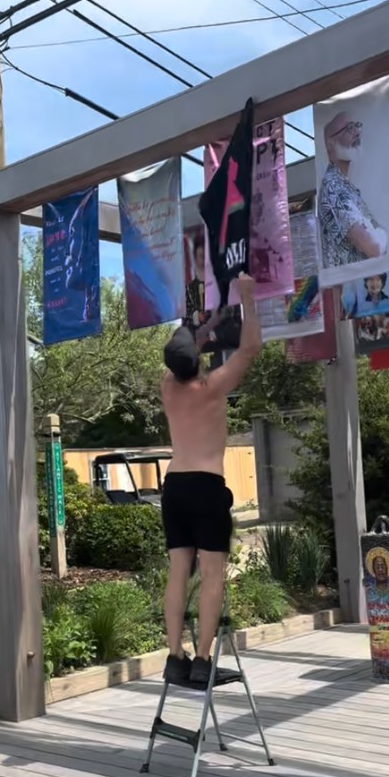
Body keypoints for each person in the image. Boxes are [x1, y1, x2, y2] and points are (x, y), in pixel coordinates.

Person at [160, 272, 261, 684]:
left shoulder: (168, 387)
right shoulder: (212, 387)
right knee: (213, 573)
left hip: (175, 486)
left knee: (178, 570)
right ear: (199, 361)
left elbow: (182, 353)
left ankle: (173, 656)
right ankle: (202, 660)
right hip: (205, 484)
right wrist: (248, 298)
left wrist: (201, 326)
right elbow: (251, 347)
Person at [318, 111, 388, 271]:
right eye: (349, 128)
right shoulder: (334, 188)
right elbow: (374, 247)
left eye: (356, 126)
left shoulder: (346, 187)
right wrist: (382, 234)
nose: (357, 132)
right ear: (330, 144)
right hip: (348, 291)